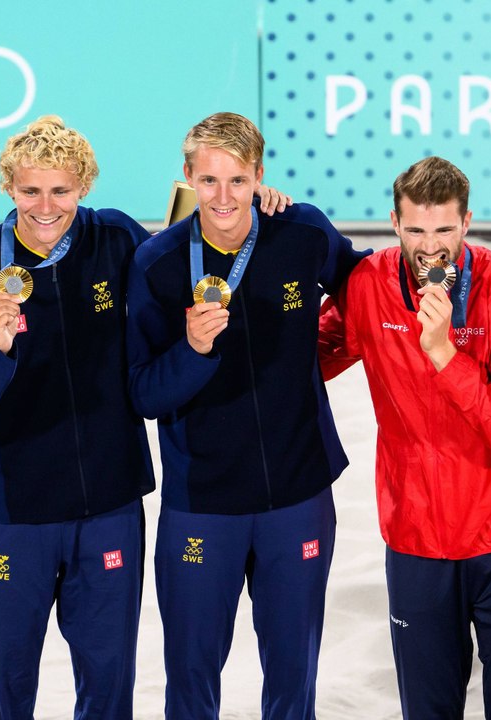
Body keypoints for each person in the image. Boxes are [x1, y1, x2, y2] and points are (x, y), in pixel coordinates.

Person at [0, 114, 289, 719]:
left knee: (109, 692)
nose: (45, 207)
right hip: (12, 515)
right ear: (8, 186)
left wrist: (251, 197)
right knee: (4, 692)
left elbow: (187, 246)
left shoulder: (117, 239)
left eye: (61, 190)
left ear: (85, 185)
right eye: (30, 191)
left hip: (109, 508)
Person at [126, 111, 367, 719]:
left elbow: (364, 287)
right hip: (203, 503)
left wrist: (333, 352)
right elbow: (143, 395)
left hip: (298, 494)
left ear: (259, 176)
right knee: (191, 679)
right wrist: (192, 350)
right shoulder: (157, 264)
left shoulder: (302, 231)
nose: (223, 197)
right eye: (209, 181)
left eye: (238, 180)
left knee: (293, 676)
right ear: (188, 177)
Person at [317, 156, 491, 718]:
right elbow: (304, 362)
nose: (431, 248)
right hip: (417, 537)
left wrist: (444, 353)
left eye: (445, 230)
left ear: (467, 221)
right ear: (394, 223)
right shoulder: (368, 285)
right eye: (416, 230)